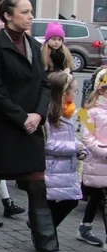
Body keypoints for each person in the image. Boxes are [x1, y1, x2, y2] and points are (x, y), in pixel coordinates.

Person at [0, 0, 65, 252]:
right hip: (1, 130)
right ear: (8, 16)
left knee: (38, 190)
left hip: (30, 130)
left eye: (31, 11)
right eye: (25, 12)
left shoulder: (33, 45)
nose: (30, 16)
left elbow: (44, 85)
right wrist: (21, 117)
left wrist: (37, 115)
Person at [43, 70, 84, 231]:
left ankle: (43, 229)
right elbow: (47, 144)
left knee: (70, 200)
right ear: (63, 93)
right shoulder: (48, 113)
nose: (76, 93)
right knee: (54, 203)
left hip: (65, 168)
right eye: (74, 90)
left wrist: (81, 150)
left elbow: (73, 137)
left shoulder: (69, 111)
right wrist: (74, 148)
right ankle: (45, 233)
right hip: (52, 168)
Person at [79, 68, 107, 248]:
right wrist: (104, 152)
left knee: (97, 197)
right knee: (102, 199)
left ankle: (85, 226)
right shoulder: (87, 112)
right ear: (101, 89)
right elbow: (87, 138)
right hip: (99, 162)